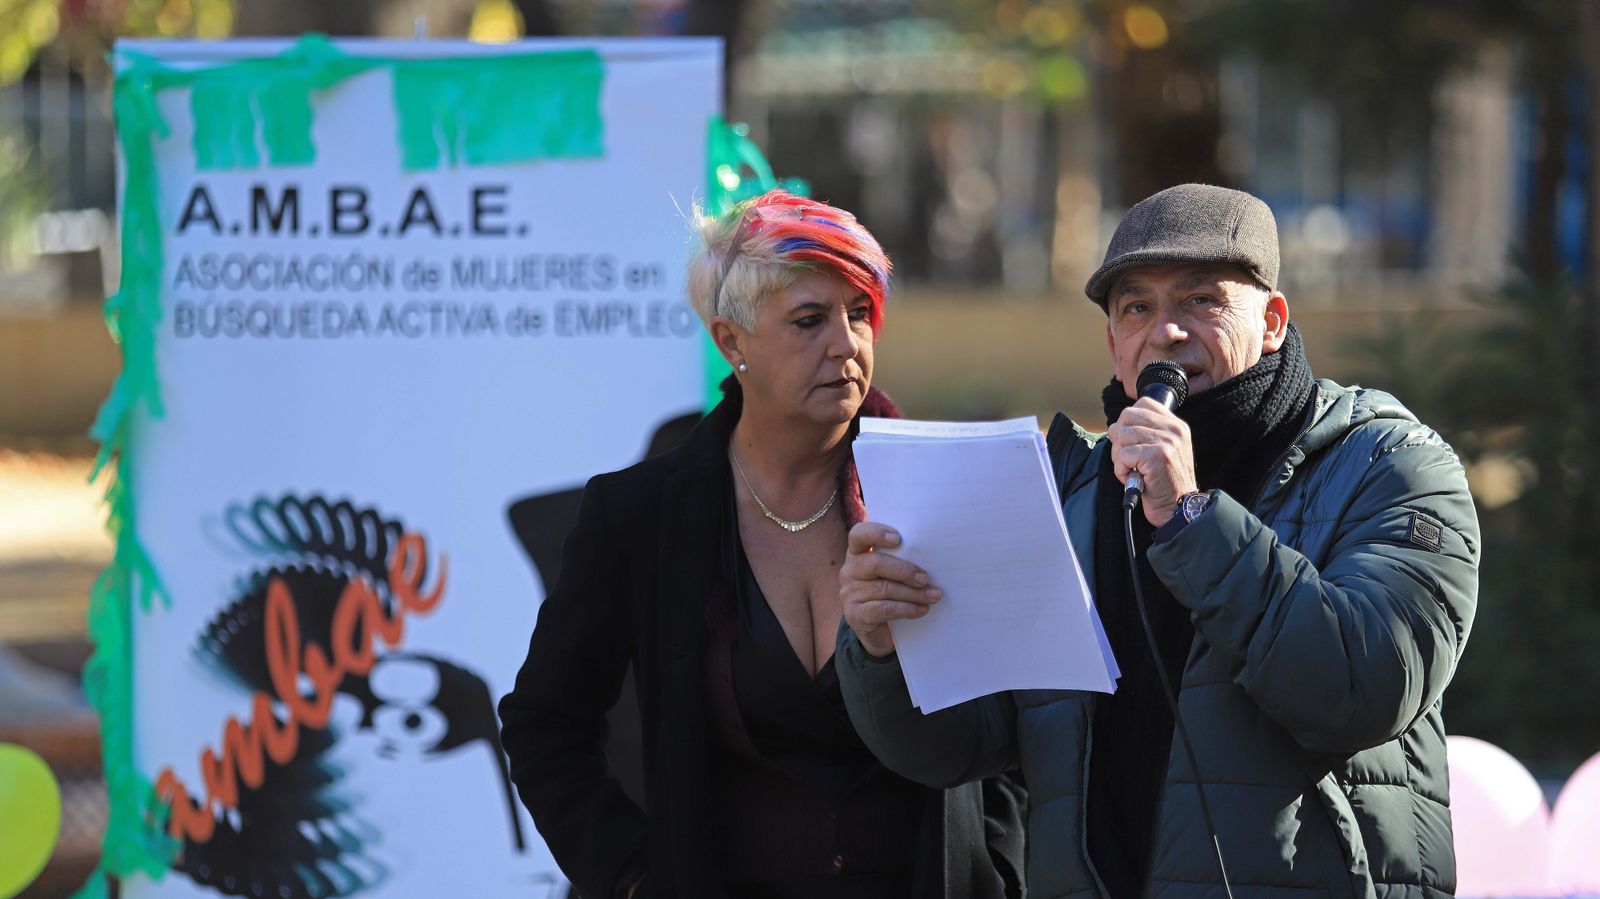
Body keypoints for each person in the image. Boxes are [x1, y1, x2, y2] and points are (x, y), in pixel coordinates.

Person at [836, 183, 1480, 899]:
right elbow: (965, 744)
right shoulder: (1069, 489)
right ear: (1113, 342)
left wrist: (1190, 518)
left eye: (1201, 300)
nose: (1165, 331)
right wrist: (886, 650)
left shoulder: (1388, 464)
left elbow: (1365, 685)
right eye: (1138, 307)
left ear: (1271, 321)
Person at [498, 189, 1026, 899]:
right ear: (731, 340)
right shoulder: (642, 513)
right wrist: (631, 876)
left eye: (860, 312)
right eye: (809, 319)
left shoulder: (939, 487)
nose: (847, 343)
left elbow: (1013, 722)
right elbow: (543, 725)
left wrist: (998, 868)